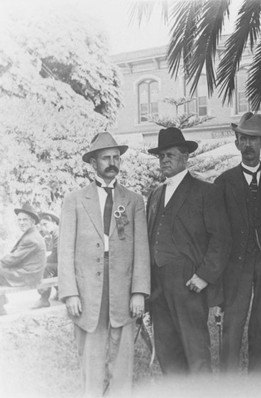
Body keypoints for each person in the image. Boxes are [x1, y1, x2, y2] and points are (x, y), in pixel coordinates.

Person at [58, 132, 150, 396]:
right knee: (92, 351)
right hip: (87, 289)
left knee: (122, 354)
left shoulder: (134, 200)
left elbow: (141, 249)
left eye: (116, 157)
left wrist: (138, 292)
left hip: (122, 284)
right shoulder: (74, 201)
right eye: (106, 158)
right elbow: (65, 249)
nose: (112, 162)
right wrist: (70, 293)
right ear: (93, 163)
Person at [146, 127, 230, 374]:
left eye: (169, 154)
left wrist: (204, 276)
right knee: (167, 352)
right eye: (160, 156)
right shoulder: (155, 195)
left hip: (189, 284)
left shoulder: (205, 191)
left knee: (195, 353)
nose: (164, 160)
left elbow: (221, 239)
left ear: (185, 156)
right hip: (158, 287)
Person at [214, 112, 261, 373]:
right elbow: (217, 233)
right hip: (236, 268)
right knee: (231, 330)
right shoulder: (224, 182)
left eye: (254, 140)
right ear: (236, 142)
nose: (249, 145)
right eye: (243, 139)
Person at [0, 203, 46, 315]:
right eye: (19, 220)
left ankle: (1, 308)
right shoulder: (31, 233)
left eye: (24, 220)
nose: (21, 223)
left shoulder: (31, 238)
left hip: (30, 275)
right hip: (29, 271)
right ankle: (1, 306)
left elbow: (13, 259)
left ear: (32, 221)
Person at [32, 211, 59, 309]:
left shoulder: (58, 233)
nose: (43, 227)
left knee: (45, 267)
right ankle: (60, 292)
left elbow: (57, 254)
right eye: (41, 225)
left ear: (55, 223)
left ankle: (44, 299)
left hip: (67, 264)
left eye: (45, 224)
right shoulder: (50, 234)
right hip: (60, 263)